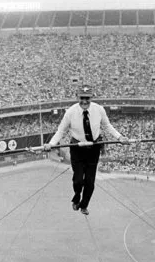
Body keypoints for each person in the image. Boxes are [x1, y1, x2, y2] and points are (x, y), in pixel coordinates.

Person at [44, 84, 130, 215]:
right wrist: (51, 144)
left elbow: (107, 126)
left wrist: (120, 137)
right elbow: (61, 131)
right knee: (78, 180)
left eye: (87, 98)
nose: (84, 101)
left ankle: (84, 205)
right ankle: (76, 197)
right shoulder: (70, 112)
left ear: (92, 97)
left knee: (90, 182)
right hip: (77, 148)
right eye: (82, 98)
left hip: (93, 149)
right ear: (77, 97)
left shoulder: (99, 110)